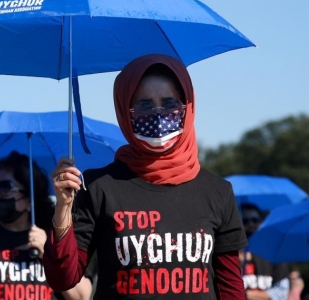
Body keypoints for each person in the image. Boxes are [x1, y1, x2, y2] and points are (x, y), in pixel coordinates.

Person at [44, 54, 249, 299]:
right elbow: (61, 278)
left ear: (187, 107)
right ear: (124, 110)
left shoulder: (217, 192)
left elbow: (230, 288)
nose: (159, 115)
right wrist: (63, 209)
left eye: (170, 103)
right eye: (145, 105)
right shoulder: (98, 187)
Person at [0, 151, 93, 300]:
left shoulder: (58, 239)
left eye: (5, 187)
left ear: (29, 200)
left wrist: (49, 255)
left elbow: (81, 296)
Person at [241, 203, 289, 300]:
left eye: (255, 220)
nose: (251, 224)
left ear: (262, 222)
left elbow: (282, 290)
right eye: (245, 221)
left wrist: (248, 295)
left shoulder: (274, 251)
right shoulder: (229, 254)